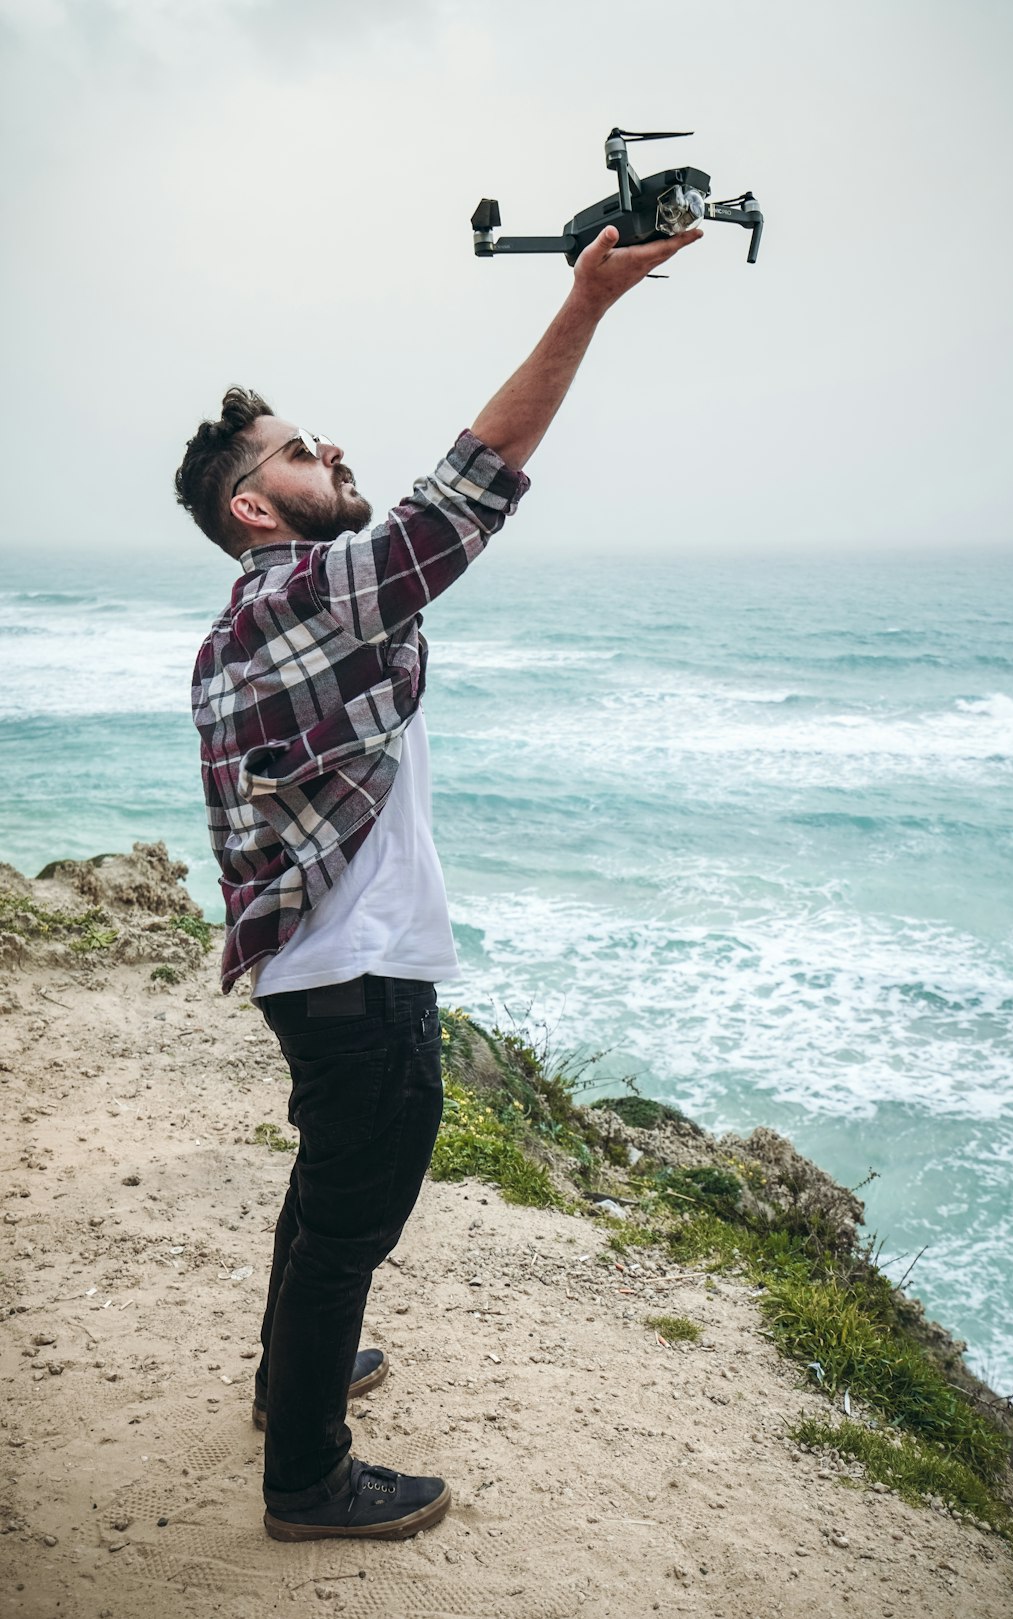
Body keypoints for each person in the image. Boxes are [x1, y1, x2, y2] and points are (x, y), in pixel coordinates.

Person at [173, 221, 702, 1543]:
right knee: (355, 1212)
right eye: (300, 451)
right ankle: (306, 1479)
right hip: (355, 972)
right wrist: (586, 301)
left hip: (325, 964)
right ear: (253, 506)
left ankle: (288, 1369)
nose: (330, 451)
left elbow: (401, 593)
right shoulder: (304, 593)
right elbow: (466, 491)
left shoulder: (263, 615)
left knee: (323, 1195)